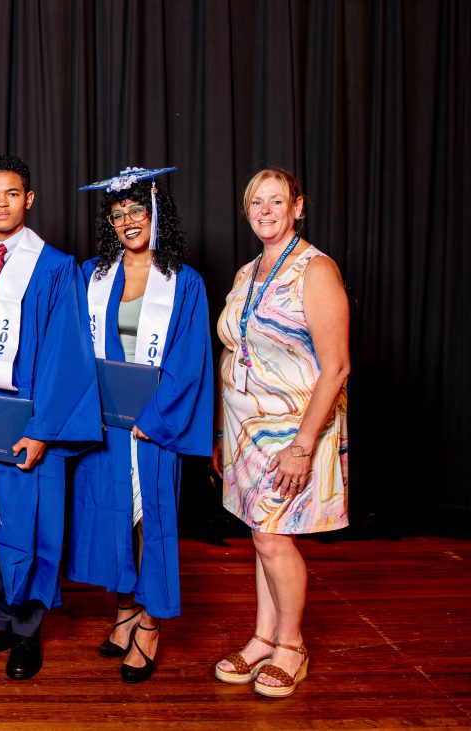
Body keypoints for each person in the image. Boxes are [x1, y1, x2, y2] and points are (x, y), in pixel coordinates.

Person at [0, 155, 102, 681]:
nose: (1, 203)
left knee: (31, 527)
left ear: (28, 200)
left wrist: (42, 430)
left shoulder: (55, 268)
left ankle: (26, 631)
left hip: (29, 427)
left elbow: (65, 356)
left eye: (12, 194)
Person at [67, 167, 213, 683]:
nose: (130, 221)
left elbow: (189, 359)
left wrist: (155, 420)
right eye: (119, 213)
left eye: (138, 210)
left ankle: (150, 623)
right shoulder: (93, 274)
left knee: (152, 521)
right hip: (103, 425)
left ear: (157, 214)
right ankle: (125, 609)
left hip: (152, 427)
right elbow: (74, 352)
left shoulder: (184, 282)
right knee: (111, 517)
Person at [213, 167, 350, 697]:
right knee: (262, 537)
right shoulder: (249, 272)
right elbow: (236, 350)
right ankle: (263, 636)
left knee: (272, 537)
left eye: (276, 201)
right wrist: (225, 434)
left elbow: (336, 367)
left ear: (298, 207)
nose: (265, 211)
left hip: (294, 430)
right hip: (247, 429)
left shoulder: (315, 270)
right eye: (256, 203)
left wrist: (302, 446)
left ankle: (291, 645)